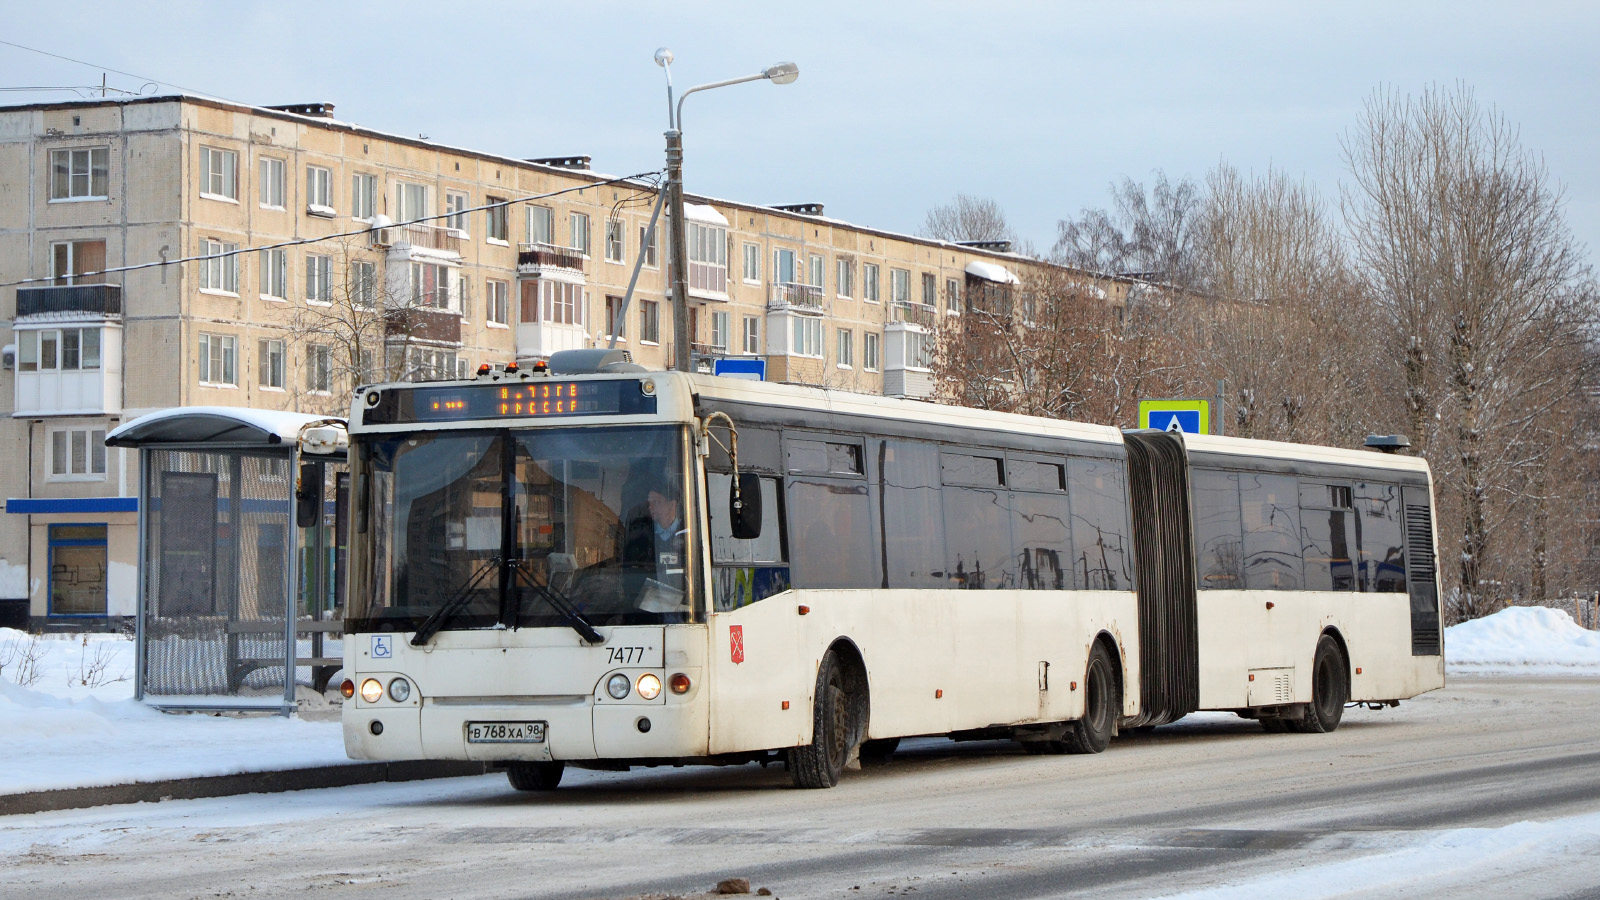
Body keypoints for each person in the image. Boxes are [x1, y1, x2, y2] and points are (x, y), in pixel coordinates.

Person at [622, 467, 688, 621]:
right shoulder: (641, 536)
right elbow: (630, 573)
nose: (650, 507)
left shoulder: (689, 533)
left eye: (656, 502)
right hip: (645, 614)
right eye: (649, 503)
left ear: (672, 505)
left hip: (683, 613)